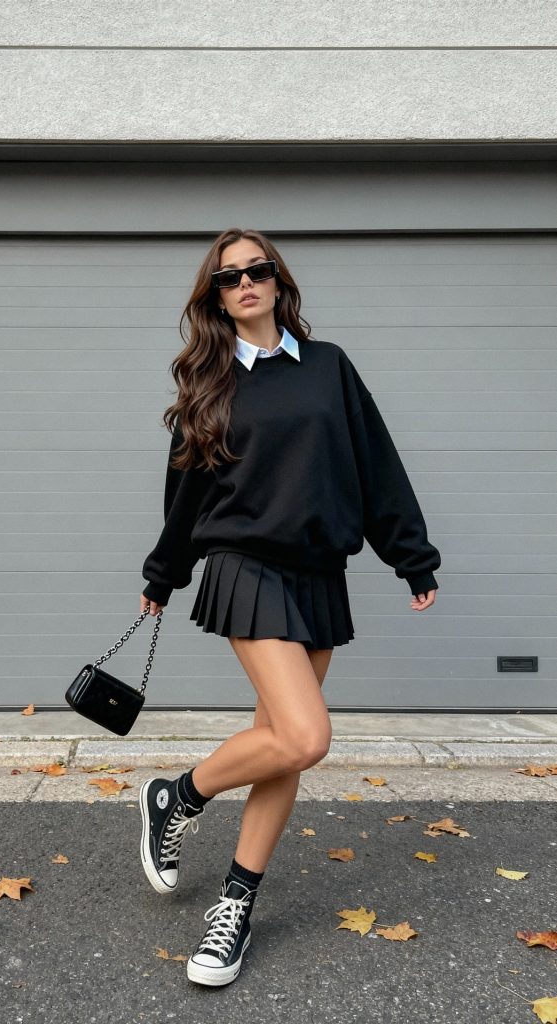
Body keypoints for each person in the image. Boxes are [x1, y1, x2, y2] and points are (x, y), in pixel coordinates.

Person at [137, 227, 440, 988]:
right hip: (244, 567)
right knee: (307, 737)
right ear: (215, 297)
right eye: (228, 277)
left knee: (279, 740)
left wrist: (410, 555)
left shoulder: (328, 367)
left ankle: (232, 904)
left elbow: (376, 462)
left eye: (256, 270)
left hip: (318, 572)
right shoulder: (210, 385)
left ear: (278, 281)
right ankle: (179, 795)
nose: (244, 283)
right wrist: (162, 576)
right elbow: (186, 497)